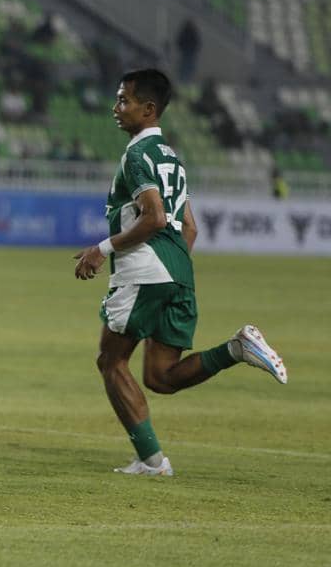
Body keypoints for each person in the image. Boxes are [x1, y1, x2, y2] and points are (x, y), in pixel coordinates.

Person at [73, 69, 288, 477]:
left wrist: (101, 250)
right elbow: (189, 227)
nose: (116, 108)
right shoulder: (172, 159)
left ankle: (152, 462)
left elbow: (154, 218)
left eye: (124, 101)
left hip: (144, 269)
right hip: (178, 271)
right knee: (160, 376)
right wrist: (170, 272)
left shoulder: (137, 155)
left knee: (111, 361)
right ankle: (236, 349)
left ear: (148, 109)